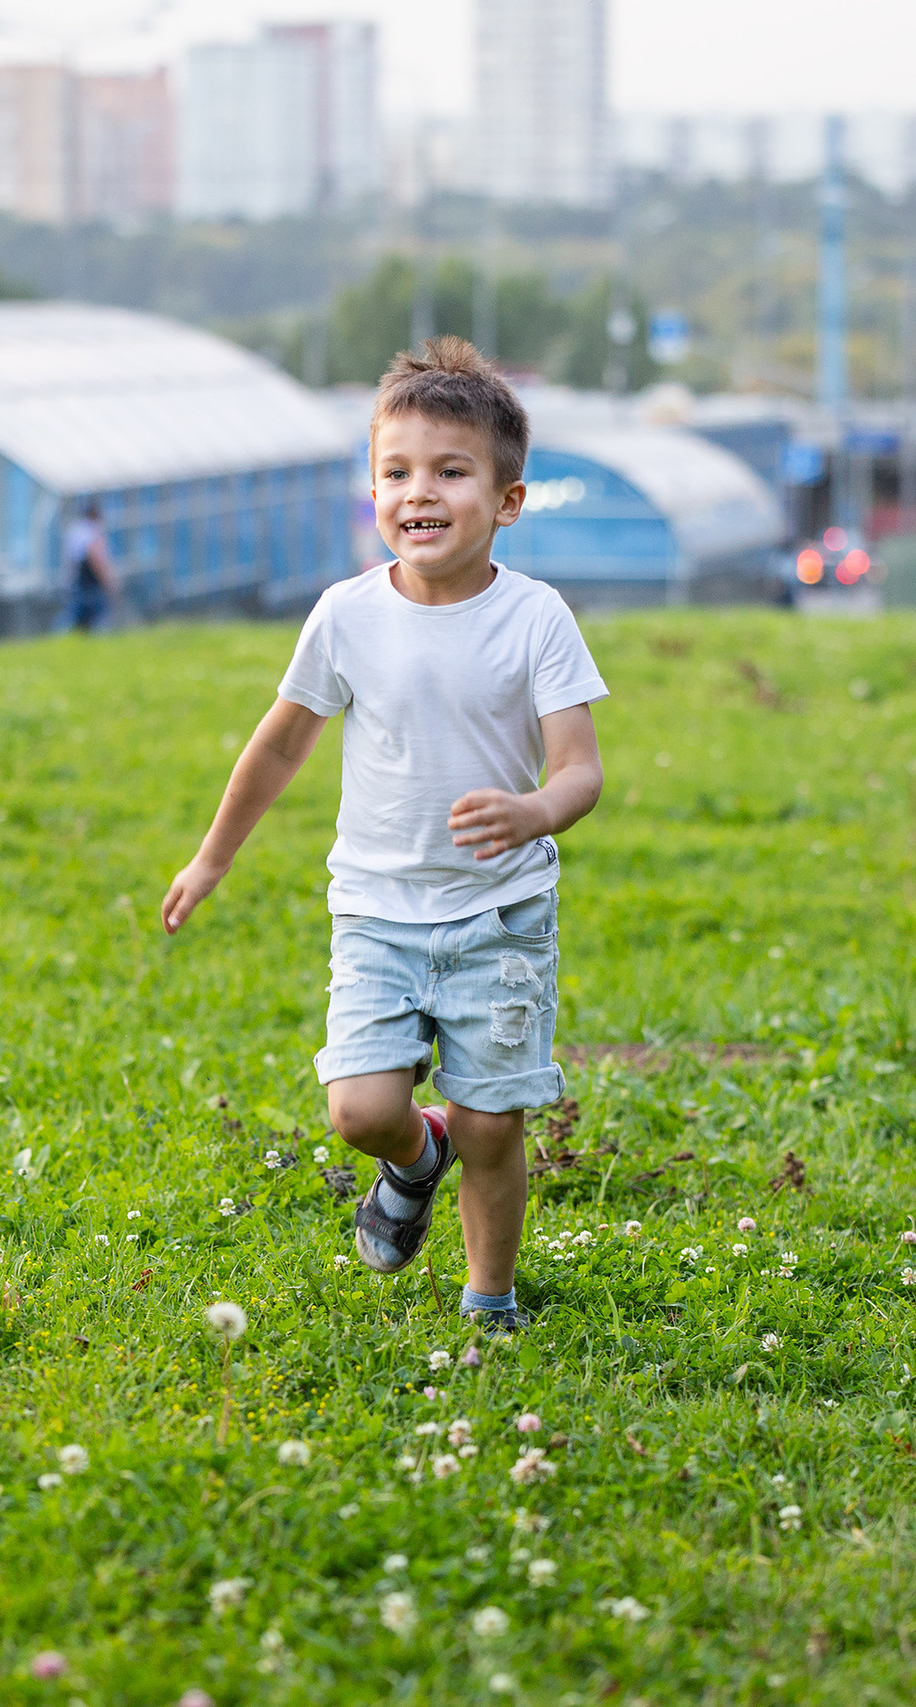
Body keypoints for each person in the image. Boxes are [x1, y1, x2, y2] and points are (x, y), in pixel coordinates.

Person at [160, 337, 607, 1332]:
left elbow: (580, 769)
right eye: (396, 473)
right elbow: (281, 744)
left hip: (500, 915)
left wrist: (534, 811)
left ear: (508, 500)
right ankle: (414, 1156)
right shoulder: (345, 616)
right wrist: (212, 856)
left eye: (451, 472)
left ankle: (489, 1300)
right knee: (359, 1110)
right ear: (372, 492)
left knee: (492, 1123)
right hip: (375, 911)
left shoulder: (536, 619)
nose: (420, 493)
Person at [62, 503, 117, 633]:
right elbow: (95, 556)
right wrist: (108, 580)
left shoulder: (75, 529)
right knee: (98, 614)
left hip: (79, 576)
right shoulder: (91, 530)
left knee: (77, 612)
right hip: (90, 576)